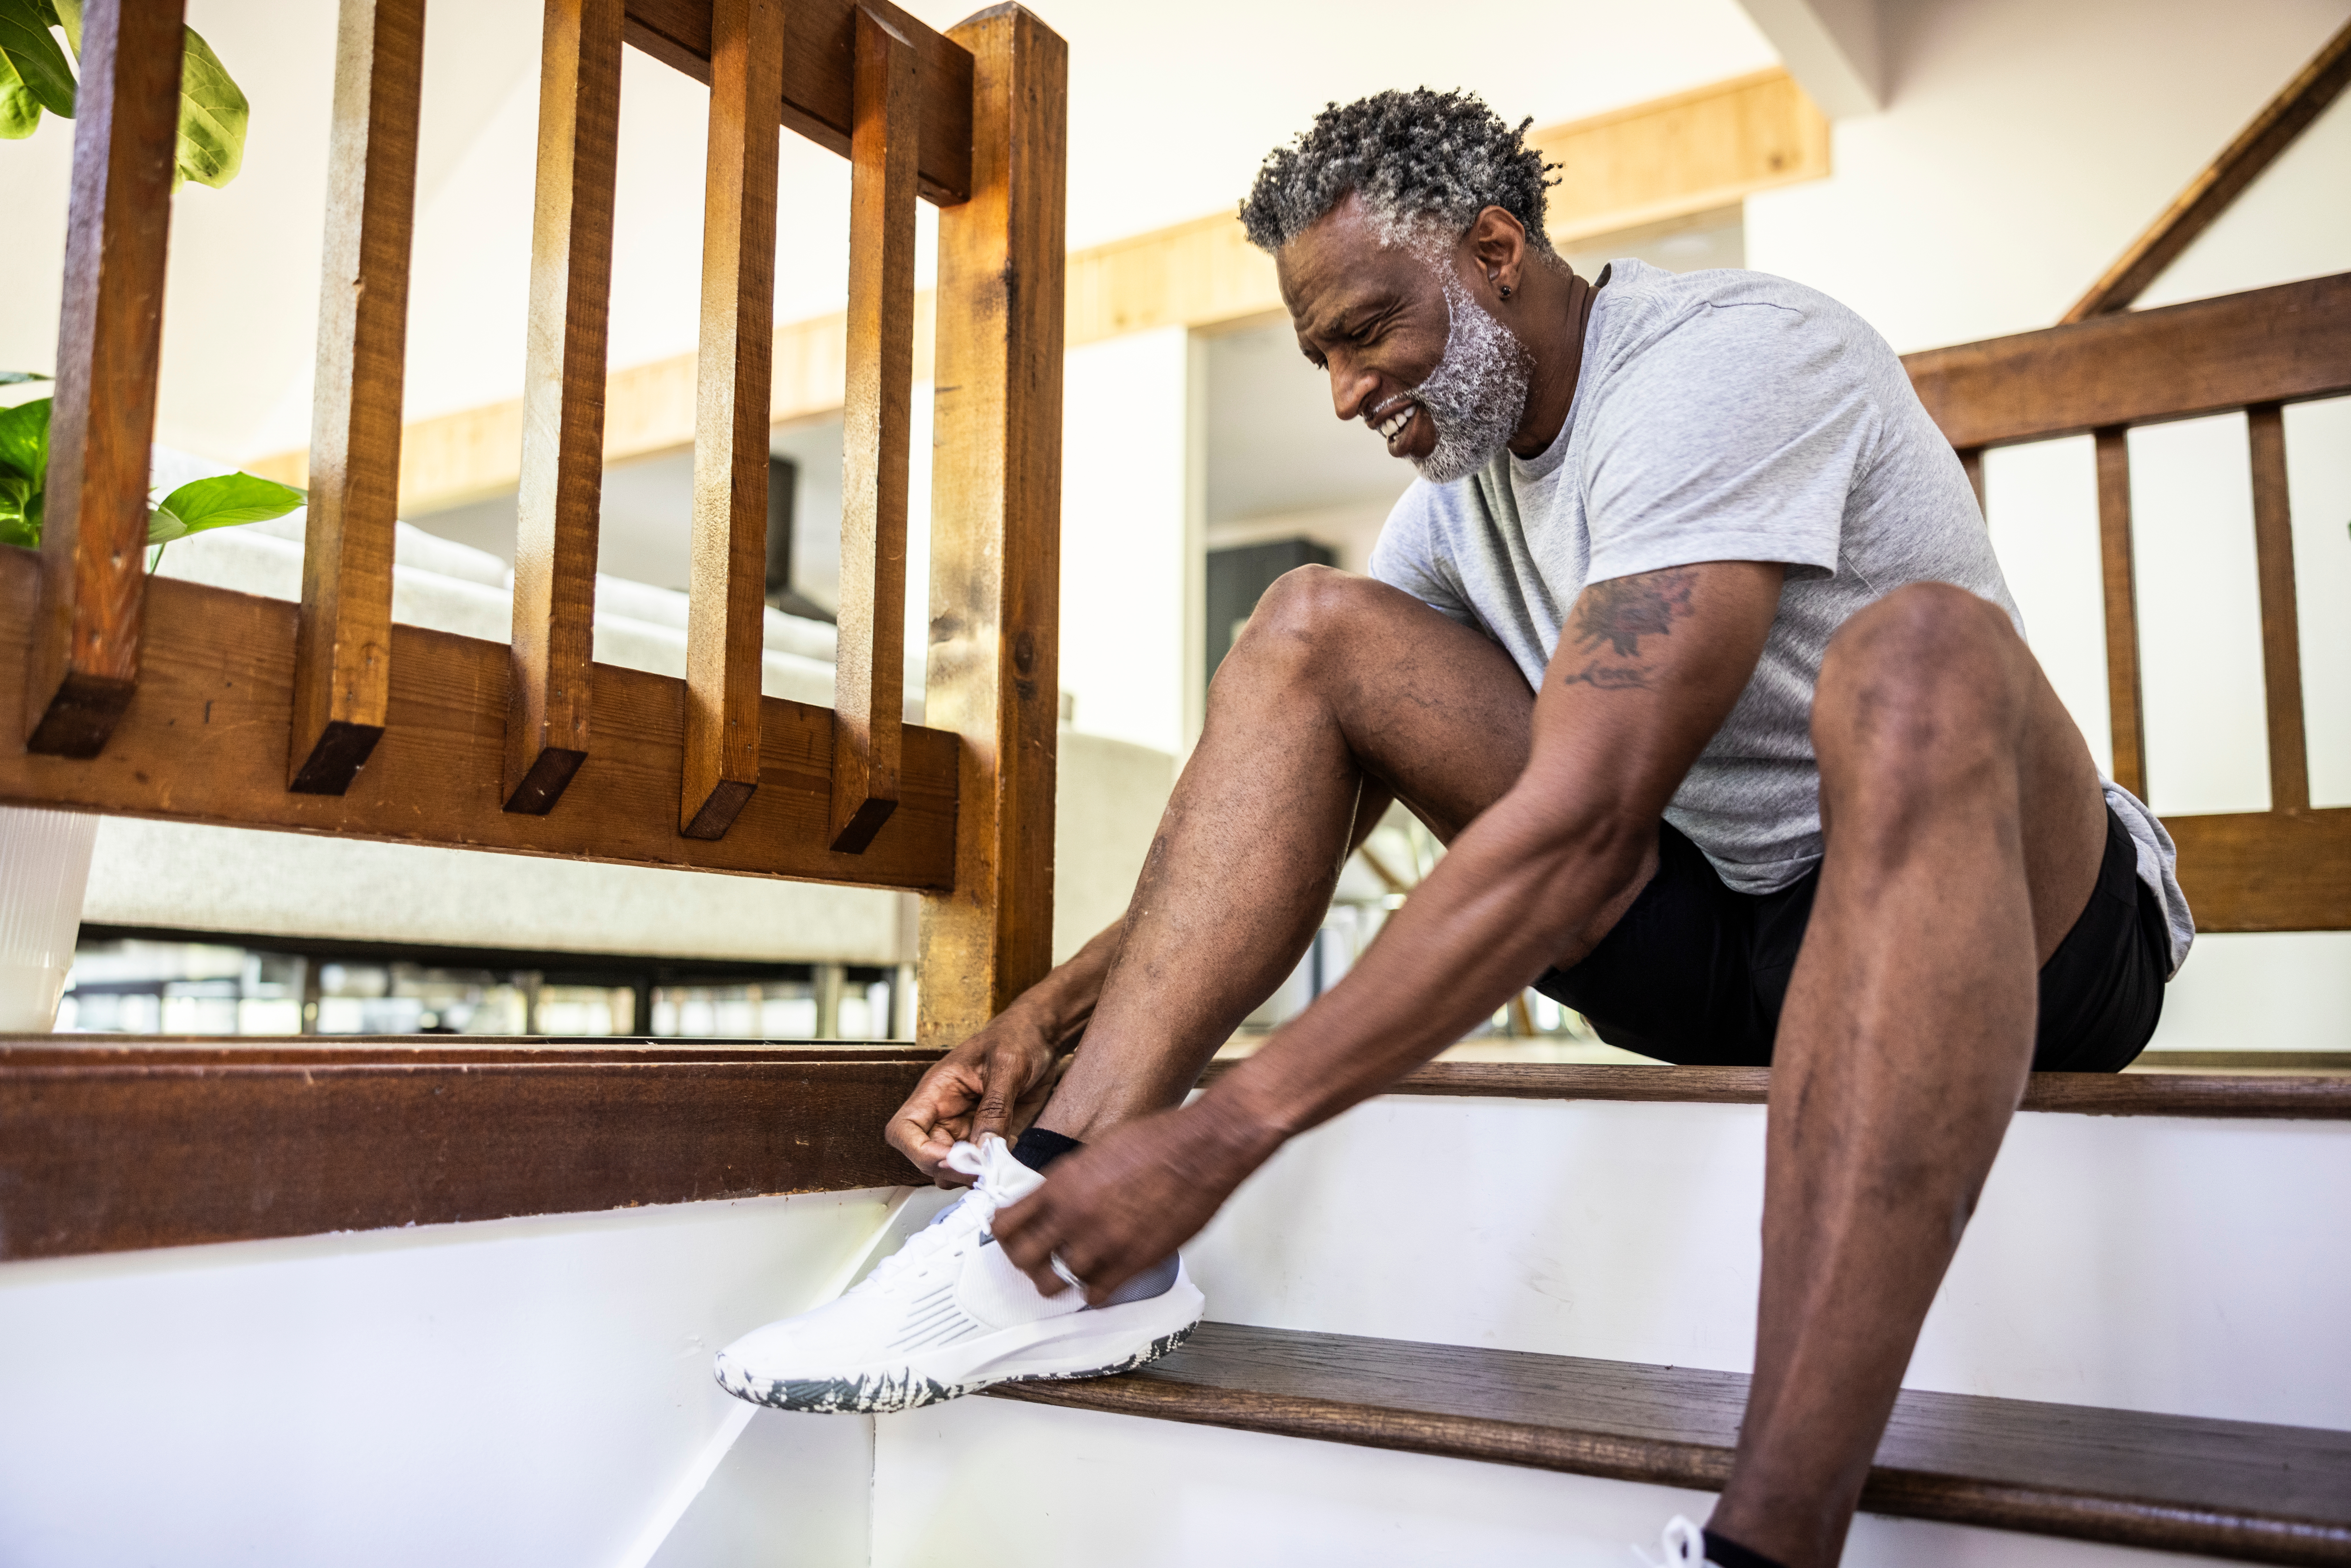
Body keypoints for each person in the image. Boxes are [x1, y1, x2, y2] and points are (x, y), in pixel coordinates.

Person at [715, 89, 2190, 1568]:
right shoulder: (1456, 505)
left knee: (1920, 656)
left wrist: (1230, 1131)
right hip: (1727, 944)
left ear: (1495, 250)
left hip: (2024, 932)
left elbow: (1584, 826)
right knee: (1309, 626)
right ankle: (1048, 1240)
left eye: (1367, 333)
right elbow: (1299, 781)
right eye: (1321, 356)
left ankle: (1770, 1543)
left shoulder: (1725, 363)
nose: (1344, 393)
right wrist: (1043, 1020)